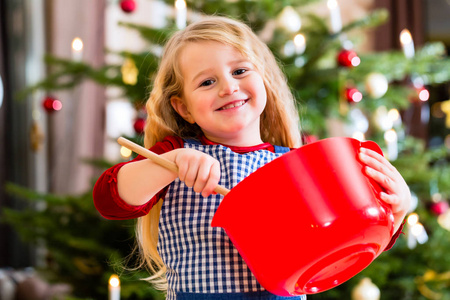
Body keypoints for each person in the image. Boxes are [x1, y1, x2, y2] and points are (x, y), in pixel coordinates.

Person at [93, 16, 411, 300]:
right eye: (207, 82)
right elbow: (109, 199)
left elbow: (344, 238)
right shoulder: (174, 157)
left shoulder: (299, 162)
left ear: (263, 81)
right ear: (184, 108)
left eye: (240, 71)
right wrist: (171, 163)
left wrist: (394, 213)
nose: (228, 87)